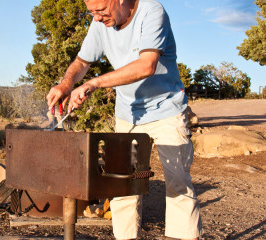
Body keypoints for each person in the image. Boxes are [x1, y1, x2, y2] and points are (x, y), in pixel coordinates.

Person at [46, 0, 203, 239]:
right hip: (127, 114)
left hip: (166, 111)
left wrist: (94, 83)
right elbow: (82, 61)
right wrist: (67, 83)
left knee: (178, 184)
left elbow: (146, 65)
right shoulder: (100, 24)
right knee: (121, 186)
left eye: (100, 10)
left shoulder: (152, 11)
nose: (96, 18)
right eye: (91, 12)